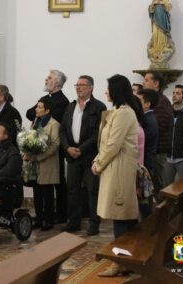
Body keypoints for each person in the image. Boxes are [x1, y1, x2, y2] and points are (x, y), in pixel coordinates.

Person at [92, 74, 139, 277]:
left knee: (121, 217)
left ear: (117, 90)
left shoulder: (124, 113)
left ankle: (120, 262)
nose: (106, 91)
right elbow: (105, 143)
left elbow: (113, 144)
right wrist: (98, 160)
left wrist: (99, 164)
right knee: (122, 218)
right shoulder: (118, 111)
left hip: (118, 170)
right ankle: (126, 260)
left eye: (108, 88)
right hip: (114, 167)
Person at [60, 75, 106, 235]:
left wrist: (81, 149)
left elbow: (98, 134)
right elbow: (63, 131)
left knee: (92, 190)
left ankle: (94, 224)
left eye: (82, 85)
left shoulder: (99, 107)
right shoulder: (70, 107)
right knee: (72, 189)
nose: (78, 88)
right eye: (77, 85)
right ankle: (73, 222)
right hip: (72, 156)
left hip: (89, 157)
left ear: (91, 87)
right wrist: (68, 148)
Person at [26, 70, 69, 224]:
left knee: (56, 182)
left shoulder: (63, 101)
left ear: (57, 82)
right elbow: (29, 113)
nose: (46, 79)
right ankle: (42, 215)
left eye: (49, 78)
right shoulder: (44, 99)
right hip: (38, 149)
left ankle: (60, 213)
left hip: (53, 148)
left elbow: (56, 124)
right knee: (39, 185)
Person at [23, 97, 60, 231]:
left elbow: (55, 145)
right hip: (34, 164)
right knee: (37, 192)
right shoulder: (34, 122)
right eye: (36, 106)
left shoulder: (54, 124)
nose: (36, 109)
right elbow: (29, 140)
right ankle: (38, 218)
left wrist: (38, 157)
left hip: (47, 163)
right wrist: (26, 152)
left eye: (39, 107)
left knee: (47, 193)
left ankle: (48, 219)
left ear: (47, 110)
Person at [143, 71, 172, 198]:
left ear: (156, 83)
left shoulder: (162, 101)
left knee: (157, 186)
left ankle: (161, 216)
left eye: (146, 80)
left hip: (157, 151)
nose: (144, 82)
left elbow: (158, 127)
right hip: (151, 150)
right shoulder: (153, 100)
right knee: (151, 186)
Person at [136, 88, 159, 218]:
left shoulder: (148, 120)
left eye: (139, 100)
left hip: (146, 164)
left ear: (147, 104)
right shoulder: (146, 118)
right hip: (145, 163)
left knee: (144, 200)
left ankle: (147, 227)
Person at [164, 84, 183, 185]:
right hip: (168, 157)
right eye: (173, 93)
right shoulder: (167, 113)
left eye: (178, 93)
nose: (174, 95)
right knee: (167, 187)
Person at [147, 0, 175, 68]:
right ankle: (156, 51)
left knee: (162, 35)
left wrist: (161, 3)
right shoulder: (153, 2)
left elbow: (168, 7)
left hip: (162, 22)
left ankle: (163, 50)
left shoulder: (165, 1)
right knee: (155, 35)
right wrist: (152, 5)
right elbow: (150, 11)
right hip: (155, 23)